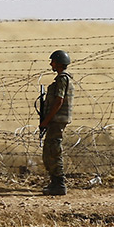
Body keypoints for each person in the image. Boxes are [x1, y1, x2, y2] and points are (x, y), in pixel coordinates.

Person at [39, 50, 74, 196]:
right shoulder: (62, 79)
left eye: (53, 61)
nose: (51, 64)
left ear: (59, 63)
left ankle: (59, 184)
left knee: (54, 149)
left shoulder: (62, 79)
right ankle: (55, 181)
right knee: (50, 149)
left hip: (56, 120)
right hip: (56, 120)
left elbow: (59, 101)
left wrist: (46, 121)